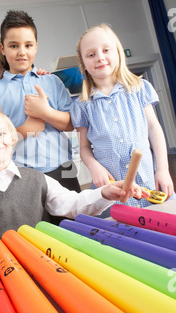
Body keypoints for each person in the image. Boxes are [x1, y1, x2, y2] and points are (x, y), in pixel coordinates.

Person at [0, 103, 148, 256]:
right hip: (0, 275)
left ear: (13, 139)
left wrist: (104, 192)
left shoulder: (38, 179)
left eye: (1, 133)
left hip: (44, 263)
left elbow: (74, 204)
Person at [70, 23, 175, 208]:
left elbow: (154, 129)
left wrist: (163, 169)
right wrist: (95, 167)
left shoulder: (139, 89)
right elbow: (84, 147)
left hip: (150, 184)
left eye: (106, 50)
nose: (100, 57)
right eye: (91, 54)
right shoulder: (82, 106)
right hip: (112, 191)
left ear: (117, 52)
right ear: (83, 63)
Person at [0, 10, 80, 192]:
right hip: (20, 176)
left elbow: (72, 123)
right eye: (13, 46)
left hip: (62, 169)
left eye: (28, 45)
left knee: (73, 220)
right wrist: (24, 130)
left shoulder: (51, 81)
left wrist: (46, 113)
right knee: (33, 222)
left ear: (36, 47)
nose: (22, 52)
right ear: (2, 48)